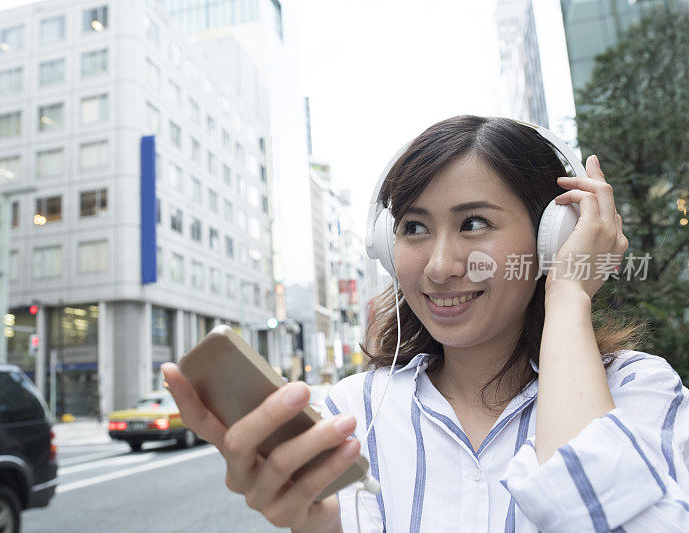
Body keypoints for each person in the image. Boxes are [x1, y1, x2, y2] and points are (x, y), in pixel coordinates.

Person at [162, 115, 689, 532]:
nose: (439, 266)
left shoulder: (638, 390)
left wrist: (570, 292)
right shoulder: (355, 412)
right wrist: (318, 528)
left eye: (474, 223)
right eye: (414, 227)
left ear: (554, 237)